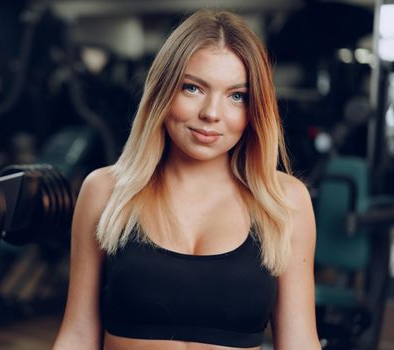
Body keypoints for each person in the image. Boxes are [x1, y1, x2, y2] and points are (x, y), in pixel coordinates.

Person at [52, 9, 320, 350]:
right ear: (163, 92)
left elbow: (299, 342)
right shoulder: (105, 192)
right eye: (192, 88)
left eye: (237, 96)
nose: (211, 113)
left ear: (256, 108)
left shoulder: (286, 201)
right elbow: (77, 335)